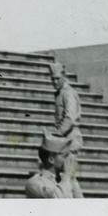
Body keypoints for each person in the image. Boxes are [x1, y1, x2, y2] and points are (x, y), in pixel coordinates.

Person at [49, 61, 84, 198]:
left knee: (69, 176)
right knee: (66, 176)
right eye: (52, 79)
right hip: (64, 140)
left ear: (64, 76)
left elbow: (70, 117)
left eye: (57, 78)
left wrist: (57, 135)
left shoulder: (68, 93)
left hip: (70, 140)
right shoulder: (59, 93)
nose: (55, 81)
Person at [25, 130, 75, 198]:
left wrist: (71, 178)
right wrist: (67, 175)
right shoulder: (34, 183)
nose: (68, 160)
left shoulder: (67, 180)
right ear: (51, 160)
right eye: (65, 156)